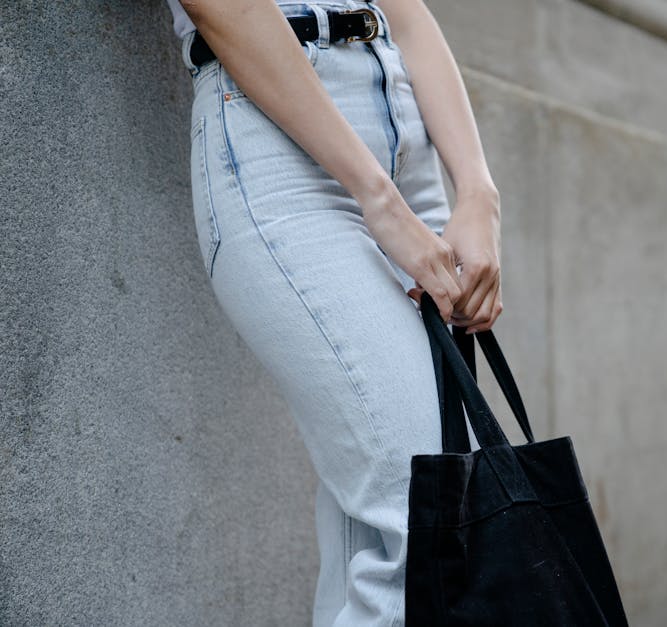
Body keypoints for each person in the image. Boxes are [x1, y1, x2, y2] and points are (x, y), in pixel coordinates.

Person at [166, 0, 503, 624]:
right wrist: (378, 197)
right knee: (428, 516)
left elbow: (405, 13)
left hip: (408, 134)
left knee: (393, 528)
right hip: (276, 132)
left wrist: (479, 191)